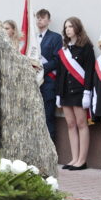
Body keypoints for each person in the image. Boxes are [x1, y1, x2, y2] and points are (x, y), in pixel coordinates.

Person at [56, 17, 95, 171]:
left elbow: (90, 72)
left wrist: (87, 92)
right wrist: (59, 94)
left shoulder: (86, 47)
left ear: (77, 28)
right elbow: (60, 74)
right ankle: (74, 158)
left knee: (81, 124)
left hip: (79, 92)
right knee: (70, 125)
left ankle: (82, 160)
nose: (68, 29)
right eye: (66, 27)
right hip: (65, 92)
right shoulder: (64, 50)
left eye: (71, 26)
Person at [35, 9, 63, 143]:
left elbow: (57, 60)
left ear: (48, 20)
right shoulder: (33, 39)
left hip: (48, 83)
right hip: (35, 83)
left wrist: (40, 68)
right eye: (37, 18)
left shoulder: (55, 37)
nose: (39, 20)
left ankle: (51, 152)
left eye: (42, 18)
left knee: (48, 117)